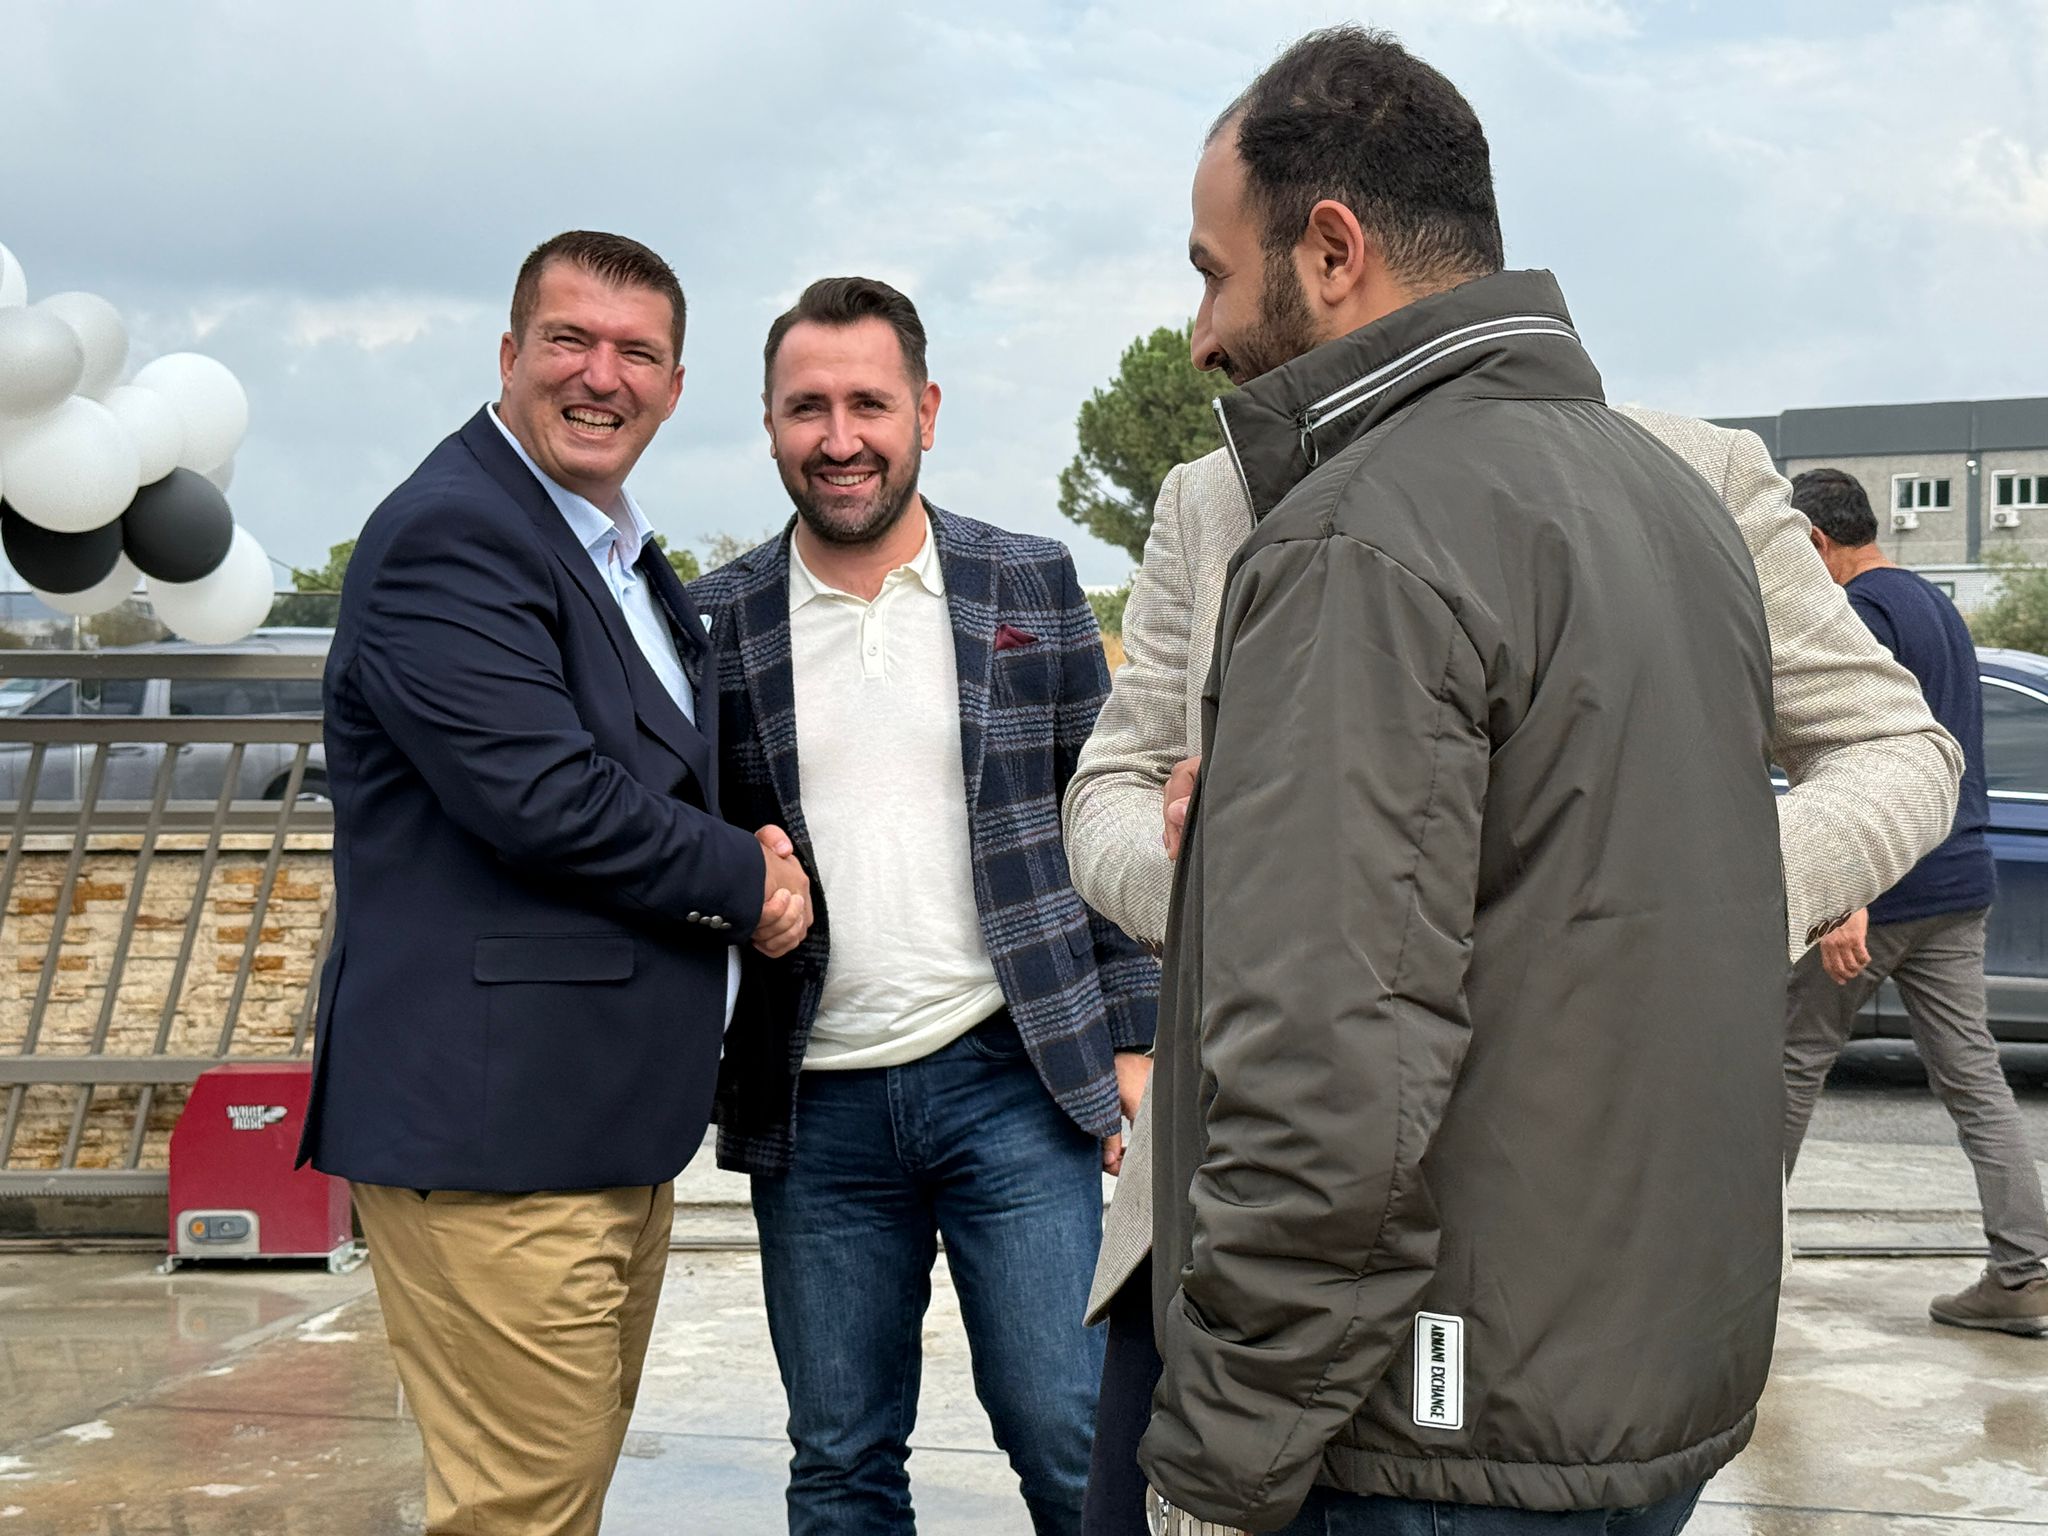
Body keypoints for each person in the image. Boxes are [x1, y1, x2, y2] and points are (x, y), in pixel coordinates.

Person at [1120, 29, 1962, 1536]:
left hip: (1428, 1418)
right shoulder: (1658, 505)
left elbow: (1329, 1076)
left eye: (1211, 273)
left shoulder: (1358, 538)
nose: (1198, 335)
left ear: (1331, 251)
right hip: (1642, 1399)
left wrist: (1219, 1462)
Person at [300, 230, 812, 1536]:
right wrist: (748, 881)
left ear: (675, 387)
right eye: (569, 340)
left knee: (546, 1506)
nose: (600, 375)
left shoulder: (610, 549)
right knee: (518, 1514)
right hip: (496, 1140)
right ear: (509, 353)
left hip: (592, 1130)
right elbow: (546, 799)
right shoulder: (453, 533)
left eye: (636, 352)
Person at [690, 276, 1157, 1534]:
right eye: (807, 408)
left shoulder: (1029, 582)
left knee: (1070, 1433)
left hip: (1011, 1080)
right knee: (840, 1462)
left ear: (926, 412)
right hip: (813, 1105)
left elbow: (1100, 817)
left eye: (868, 404)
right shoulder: (714, 621)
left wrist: (1135, 1036)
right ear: (769, 423)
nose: (838, 437)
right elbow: (688, 847)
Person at [1783, 466, 2048, 1335]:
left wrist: (1847, 890)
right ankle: (2023, 1274)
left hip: (1888, 882)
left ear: (1816, 541)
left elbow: (1855, 753)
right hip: (1961, 877)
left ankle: (1737, 1266)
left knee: (1788, 1063)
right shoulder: (1934, 603)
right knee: (1973, 1077)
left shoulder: (1859, 614)